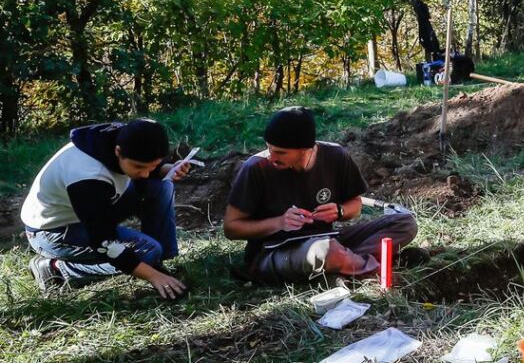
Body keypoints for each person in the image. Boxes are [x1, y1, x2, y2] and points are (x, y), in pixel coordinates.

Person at [223, 106, 423, 284]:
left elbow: (355, 204)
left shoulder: (335, 156)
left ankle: (343, 265)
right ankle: (382, 272)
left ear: (306, 149)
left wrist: (339, 211)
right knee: (327, 251)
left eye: (281, 152)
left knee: (404, 223)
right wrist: (279, 223)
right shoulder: (256, 168)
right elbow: (231, 228)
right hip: (275, 251)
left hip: (328, 238)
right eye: (269, 148)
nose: (272, 157)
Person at [21, 119, 189, 298]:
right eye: (139, 167)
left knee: (163, 188)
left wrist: (166, 169)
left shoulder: (121, 137)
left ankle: (160, 261)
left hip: (91, 207)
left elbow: (143, 164)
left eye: (153, 165)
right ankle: (57, 269)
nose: (145, 174)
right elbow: (104, 242)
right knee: (147, 251)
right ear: (118, 151)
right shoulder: (87, 177)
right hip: (54, 230)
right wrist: (151, 276)